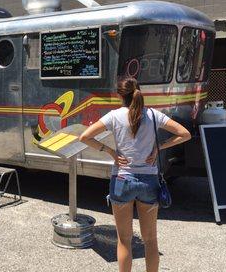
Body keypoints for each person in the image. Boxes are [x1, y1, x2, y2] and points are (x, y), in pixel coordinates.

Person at [79, 77, 191, 272]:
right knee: (150, 240)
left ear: (119, 96)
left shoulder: (114, 116)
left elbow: (85, 137)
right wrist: (159, 147)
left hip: (122, 180)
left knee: (124, 240)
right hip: (149, 181)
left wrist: (111, 151)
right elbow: (185, 134)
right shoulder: (155, 115)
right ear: (139, 92)